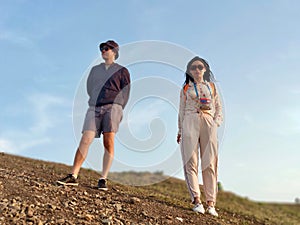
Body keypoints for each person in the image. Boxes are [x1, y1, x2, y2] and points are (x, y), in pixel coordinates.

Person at [57, 40, 130, 190]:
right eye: (102, 49)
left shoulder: (122, 71)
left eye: (107, 48)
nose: (103, 51)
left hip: (113, 107)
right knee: (86, 139)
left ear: (114, 52)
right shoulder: (95, 70)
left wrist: (118, 107)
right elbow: (90, 88)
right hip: (94, 107)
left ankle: (103, 178)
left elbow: (126, 91)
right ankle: (73, 175)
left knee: (108, 141)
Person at [177, 56, 223, 217]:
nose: (197, 70)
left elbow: (218, 107)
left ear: (205, 69)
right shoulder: (185, 88)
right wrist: (180, 130)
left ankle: (211, 203)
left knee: (210, 162)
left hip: (208, 121)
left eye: (200, 67)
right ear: (189, 71)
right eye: (193, 67)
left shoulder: (212, 87)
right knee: (191, 161)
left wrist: (215, 122)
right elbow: (181, 110)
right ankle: (197, 200)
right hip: (190, 120)